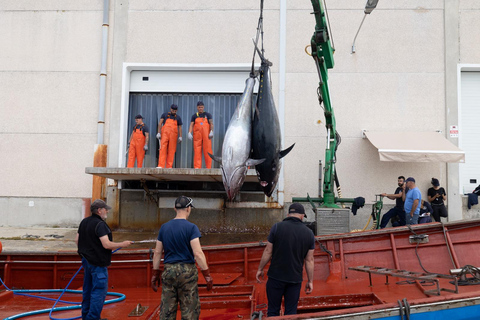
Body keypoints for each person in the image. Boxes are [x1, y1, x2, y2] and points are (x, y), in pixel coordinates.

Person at [151, 196, 213, 320]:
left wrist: (155, 274)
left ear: (175, 208)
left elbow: (157, 253)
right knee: (190, 310)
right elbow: (198, 254)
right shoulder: (191, 228)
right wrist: (207, 274)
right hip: (187, 273)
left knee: (167, 310)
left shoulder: (164, 228)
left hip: (169, 271)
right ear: (188, 209)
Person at [76, 199, 132, 320]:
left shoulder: (84, 222)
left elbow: (77, 240)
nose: (107, 211)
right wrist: (123, 244)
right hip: (98, 264)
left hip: (86, 262)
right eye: (105, 209)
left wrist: (87, 252)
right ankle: (93, 318)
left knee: (88, 290)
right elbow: (106, 244)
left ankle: (86, 316)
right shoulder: (100, 225)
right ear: (99, 210)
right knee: (98, 292)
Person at [256, 203, 315, 317]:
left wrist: (260, 269)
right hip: (294, 280)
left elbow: (268, 251)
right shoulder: (309, 234)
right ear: (302, 216)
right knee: (291, 313)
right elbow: (309, 260)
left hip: (275, 278)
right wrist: (310, 281)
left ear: (288, 214)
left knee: (273, 311)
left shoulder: (277, 227)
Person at [188, 101, 214, 169]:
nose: (200, 108)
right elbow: (191, 125)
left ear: (203, 107)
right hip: (197, 135)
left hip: (206, 136)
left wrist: (211, 131)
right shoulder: (194, 116)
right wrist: (189, 132)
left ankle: (208, 167)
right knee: (197, 150)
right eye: (199, 107)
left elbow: (211, 123)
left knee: (208, 150)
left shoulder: (208, 115)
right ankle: (197, 167)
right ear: (197, 107)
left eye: (201, 107)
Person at [156, 104, 183, 168]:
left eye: (175, 110)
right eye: (173, 110)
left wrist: (180, 136)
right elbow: (160, 123)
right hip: (165, 134)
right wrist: (158, 133)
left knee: (172, 150)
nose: (174, 111)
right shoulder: (165, 115)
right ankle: (160, 165)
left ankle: (169, 166)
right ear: (170, 109)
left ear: (177, 110)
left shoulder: (178, 117)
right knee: (162, 148)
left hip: (173, 135)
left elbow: (180, 127)